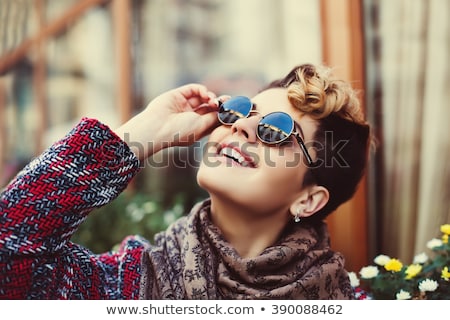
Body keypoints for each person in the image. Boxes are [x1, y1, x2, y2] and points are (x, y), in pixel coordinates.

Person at [0, 63, 371, 299]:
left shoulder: (345, 301)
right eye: (240, 110)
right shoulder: (122, 287)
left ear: (308, 200)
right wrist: (143, 132)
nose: (241, 125)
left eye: (275, 130)